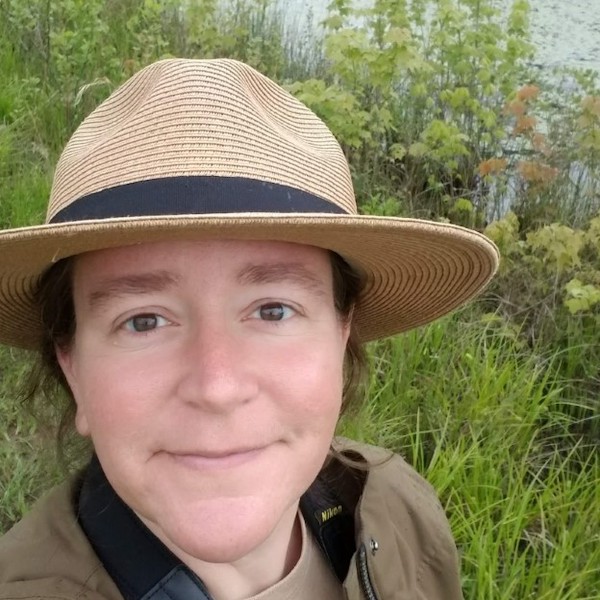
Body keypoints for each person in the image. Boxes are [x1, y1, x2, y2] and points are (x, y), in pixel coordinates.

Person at [0, 58, 498, 600]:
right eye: (143, 321)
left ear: (340, 332)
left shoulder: (396, 509)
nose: (218, 387)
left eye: (273, 310)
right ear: (72, 368)